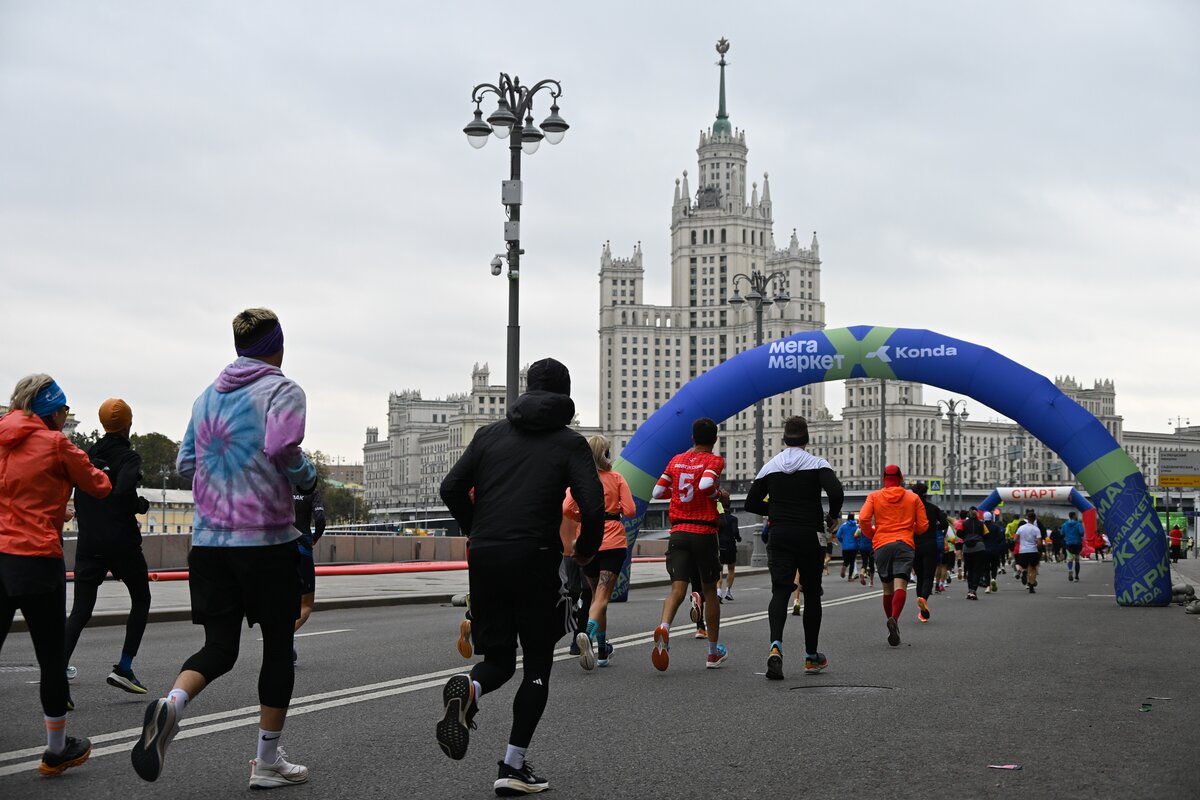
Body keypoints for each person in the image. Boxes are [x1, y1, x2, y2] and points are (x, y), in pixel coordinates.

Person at [131, 308, 318, 789]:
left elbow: (185, 462)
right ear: (278, 346)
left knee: (219, 647)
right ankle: (267, 762)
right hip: (266, 543)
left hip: (209, 543)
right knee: (277, 648)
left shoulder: (206, 397)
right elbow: (282, 448)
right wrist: (306, 477)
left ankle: (173, 704)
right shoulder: (283, 390)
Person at [438, 358, 603, 795]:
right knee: (536, 665)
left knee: (497, 660)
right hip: (535, 556)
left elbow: (450, 487)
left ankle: (472, 687)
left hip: (485, 557)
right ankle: (512, 766)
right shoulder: (570, 443)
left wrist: (477, 528)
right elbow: (593, 505)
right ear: (565, 395)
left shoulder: (488, 435)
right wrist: (586, 551)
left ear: (527, 389)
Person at [1, 375, 112, 775]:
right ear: (52, 411)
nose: (66, 417)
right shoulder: (56, 444)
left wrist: (52, 503)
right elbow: (99, 485)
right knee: (50, 659)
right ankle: (56, 750)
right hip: (36, 560)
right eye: (64, 410)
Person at [63, 398, 153, 698]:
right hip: (122, 544)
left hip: (89, 543)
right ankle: (124, 668)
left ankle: (57, 672)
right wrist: (140, 505)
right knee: (141, 599)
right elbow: (124, 491)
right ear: (129, 423)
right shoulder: (128, 457)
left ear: (103, 424)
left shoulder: (88, 455)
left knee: (80, 611)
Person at [745, 416, 843, 679]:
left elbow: (751, 503)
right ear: (807, 439)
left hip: (780, 535)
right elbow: (836, 492)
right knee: (811, 593)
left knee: (780, 590)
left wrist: (776, 509)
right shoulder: (817, 464)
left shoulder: (770, 466)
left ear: (784, 439)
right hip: (810, 535)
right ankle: (811, 656)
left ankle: (775, 646)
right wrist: (833, 516)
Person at [649, 417, 731, 672]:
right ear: (715, 439)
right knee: (709, 591)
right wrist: (718, 495)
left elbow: (657, 492)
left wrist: (678, 492)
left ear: (692, 438)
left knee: (677, 589)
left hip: (678, 532)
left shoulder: (676, 460)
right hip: (703, 532)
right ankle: (713, 653)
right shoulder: (714, 460)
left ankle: (664, 626)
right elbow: (706, 484)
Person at [562, 435, 634, 669]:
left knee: (595, 597)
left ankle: (602, 652)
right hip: (613, 541)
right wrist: (615, 508)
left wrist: (583, 517)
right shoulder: (616, 478)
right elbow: (631, 511)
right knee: (602, 597)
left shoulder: (580, 480)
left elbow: (567, 508)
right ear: (606, 454)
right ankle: (588, 635)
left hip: (589, 541)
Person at [859, 465, 927, 647]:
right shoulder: (913, 498)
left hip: (882, 545)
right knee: (900, 586)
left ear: (884, 478)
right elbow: (923, 526)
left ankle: (891, 622)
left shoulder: (874, 496)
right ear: (901, 477)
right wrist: (910, 529)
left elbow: (863, 519)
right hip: (904, 544)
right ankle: (894, 619)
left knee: (887, 589)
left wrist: (872, 533)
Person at [291, 485, 326, 665]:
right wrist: (315, 538)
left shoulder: (279, 482)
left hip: (277, 549)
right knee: (306, 604)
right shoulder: (310, 489)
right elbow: (320, 519)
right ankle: (284, 638)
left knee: (283, 600)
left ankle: (283, 642)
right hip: (302, 549)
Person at [911, 483, 947, 622]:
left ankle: (921, 605)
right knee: (928, 577)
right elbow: (944, 524)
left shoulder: (910, 508)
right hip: (930, 545)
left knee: (920, 577)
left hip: (914, 545)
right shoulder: (933, 508)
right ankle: (923, 600)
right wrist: (934, 525)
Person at [959, 507, 988, 600]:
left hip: (967, 548)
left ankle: (969, 590)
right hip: (979, 547)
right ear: (977, 514)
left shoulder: (964, 523)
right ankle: (974, 590)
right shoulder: (981, 524)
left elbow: (959, 533)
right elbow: (987, 534)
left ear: (969, 514)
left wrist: (966, 537)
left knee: (969, 569)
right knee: (977, 569)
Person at [715, 505, 742, 601]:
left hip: (719, 546)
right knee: (731, 569)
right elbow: (735, 531)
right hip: (730, 546)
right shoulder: (733, 519)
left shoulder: (717, 518)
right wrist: (738, 538)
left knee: (720, 569)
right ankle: (728, 592)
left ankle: (718, 591)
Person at [1015, 510, 1043, 593]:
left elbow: (1015, 539)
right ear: (1034, 519)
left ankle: (1024, 572)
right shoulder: (1036, 529)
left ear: (1027, 518)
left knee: (1024, 566)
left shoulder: (1021, 528)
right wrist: (1037, 547)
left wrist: (1021, 543)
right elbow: (1039, 543)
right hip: (1033, 550)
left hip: (1023, 551)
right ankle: (1031, 585)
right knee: (1033, 568)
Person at [983, 511, 1007, 592]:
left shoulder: (982, 526)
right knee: (994, 566)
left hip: (984, 549)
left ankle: (987, 586)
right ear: (991, 518)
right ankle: (993, 578)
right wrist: (995, 543)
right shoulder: (996, 527)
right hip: (994, 549)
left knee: (986, 568)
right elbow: (1001, 537)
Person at [1061, 511, 1085, 581]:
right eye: (1076, 515)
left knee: (1070, 559)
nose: (1077, 516)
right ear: (1074, 516)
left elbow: (1062, 533)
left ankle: (1070, 570)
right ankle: (1076, 576)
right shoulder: (1078, 524)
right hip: (1077, 544)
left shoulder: (1065, 524)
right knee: (1077, 560)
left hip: (1069, 544)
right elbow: (1082, 533)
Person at [836, 513, 860, 582]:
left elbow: (838, 535)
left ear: (847, 518)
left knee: (846, 560)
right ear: (854, 518)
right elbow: (858, 536)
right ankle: (849, 577)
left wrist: (842, 541)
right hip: (854, 547)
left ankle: (844, 566)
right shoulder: (856, 526)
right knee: (852, 562)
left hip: (845, 546)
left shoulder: (843, 526)